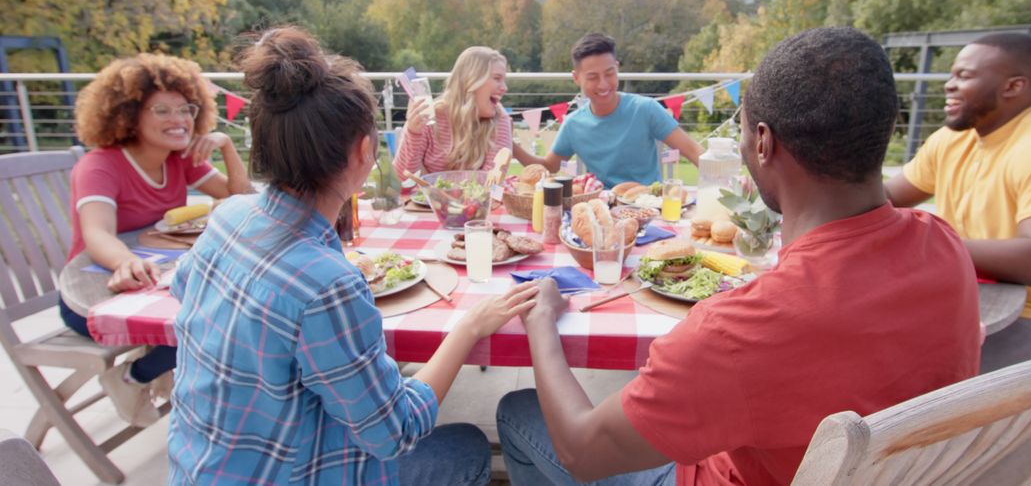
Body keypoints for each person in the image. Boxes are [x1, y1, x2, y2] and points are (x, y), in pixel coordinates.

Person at [496, 27, 982, 485]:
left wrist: (541, 322)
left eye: (746, 130)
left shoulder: (734, 331)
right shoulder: (945, 246)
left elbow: (582, 451)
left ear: (764, 142)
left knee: (517, 412)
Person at [167, 27, 540, 485]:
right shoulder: (328, 283)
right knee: (465, 444)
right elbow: (396, 431)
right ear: (364, 151)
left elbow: (181, 286)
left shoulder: (228, 217)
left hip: (200, 471)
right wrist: (467, 329)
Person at [67, 53, 251, 427]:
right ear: (128, 113)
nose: (179, 120)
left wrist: (227, 147)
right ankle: (135, 376)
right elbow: (97, 232)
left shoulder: (178, 158)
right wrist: (124, 262)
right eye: (162, 111)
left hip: (159, 280)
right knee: (216, 319)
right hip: (97, 293)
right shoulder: (100, 165)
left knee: (236, 305)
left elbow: (241, 202)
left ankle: (146, 374)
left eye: (185, 109)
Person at [885, 33, 1031, 373]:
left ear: (1013, 86)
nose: (949, 85)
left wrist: (925, 241)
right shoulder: (953, 139)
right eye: (951, 74)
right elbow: (885, 198)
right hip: (967, 302)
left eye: (964, 76)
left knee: (913, 382)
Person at [513, 33, 704, 188]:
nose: (603, 84)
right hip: (601, 209)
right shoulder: (573, 124)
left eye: (609, 74)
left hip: (649, 207)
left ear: (617, 68)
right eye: (593, 77)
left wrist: (720, 184)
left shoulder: (645, 109)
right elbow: (548, 167)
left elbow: (693, 150)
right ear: (576, 78)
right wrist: (510, 146)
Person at [392, 46, 513, 179]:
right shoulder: (429, 117)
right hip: (424, 200)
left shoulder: (500, 120)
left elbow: (492, 182)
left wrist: (436, 185)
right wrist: (413, 133)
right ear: (470, 81)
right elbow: (402, 179)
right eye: (497, 78)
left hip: (474, 200)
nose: (504, 88)